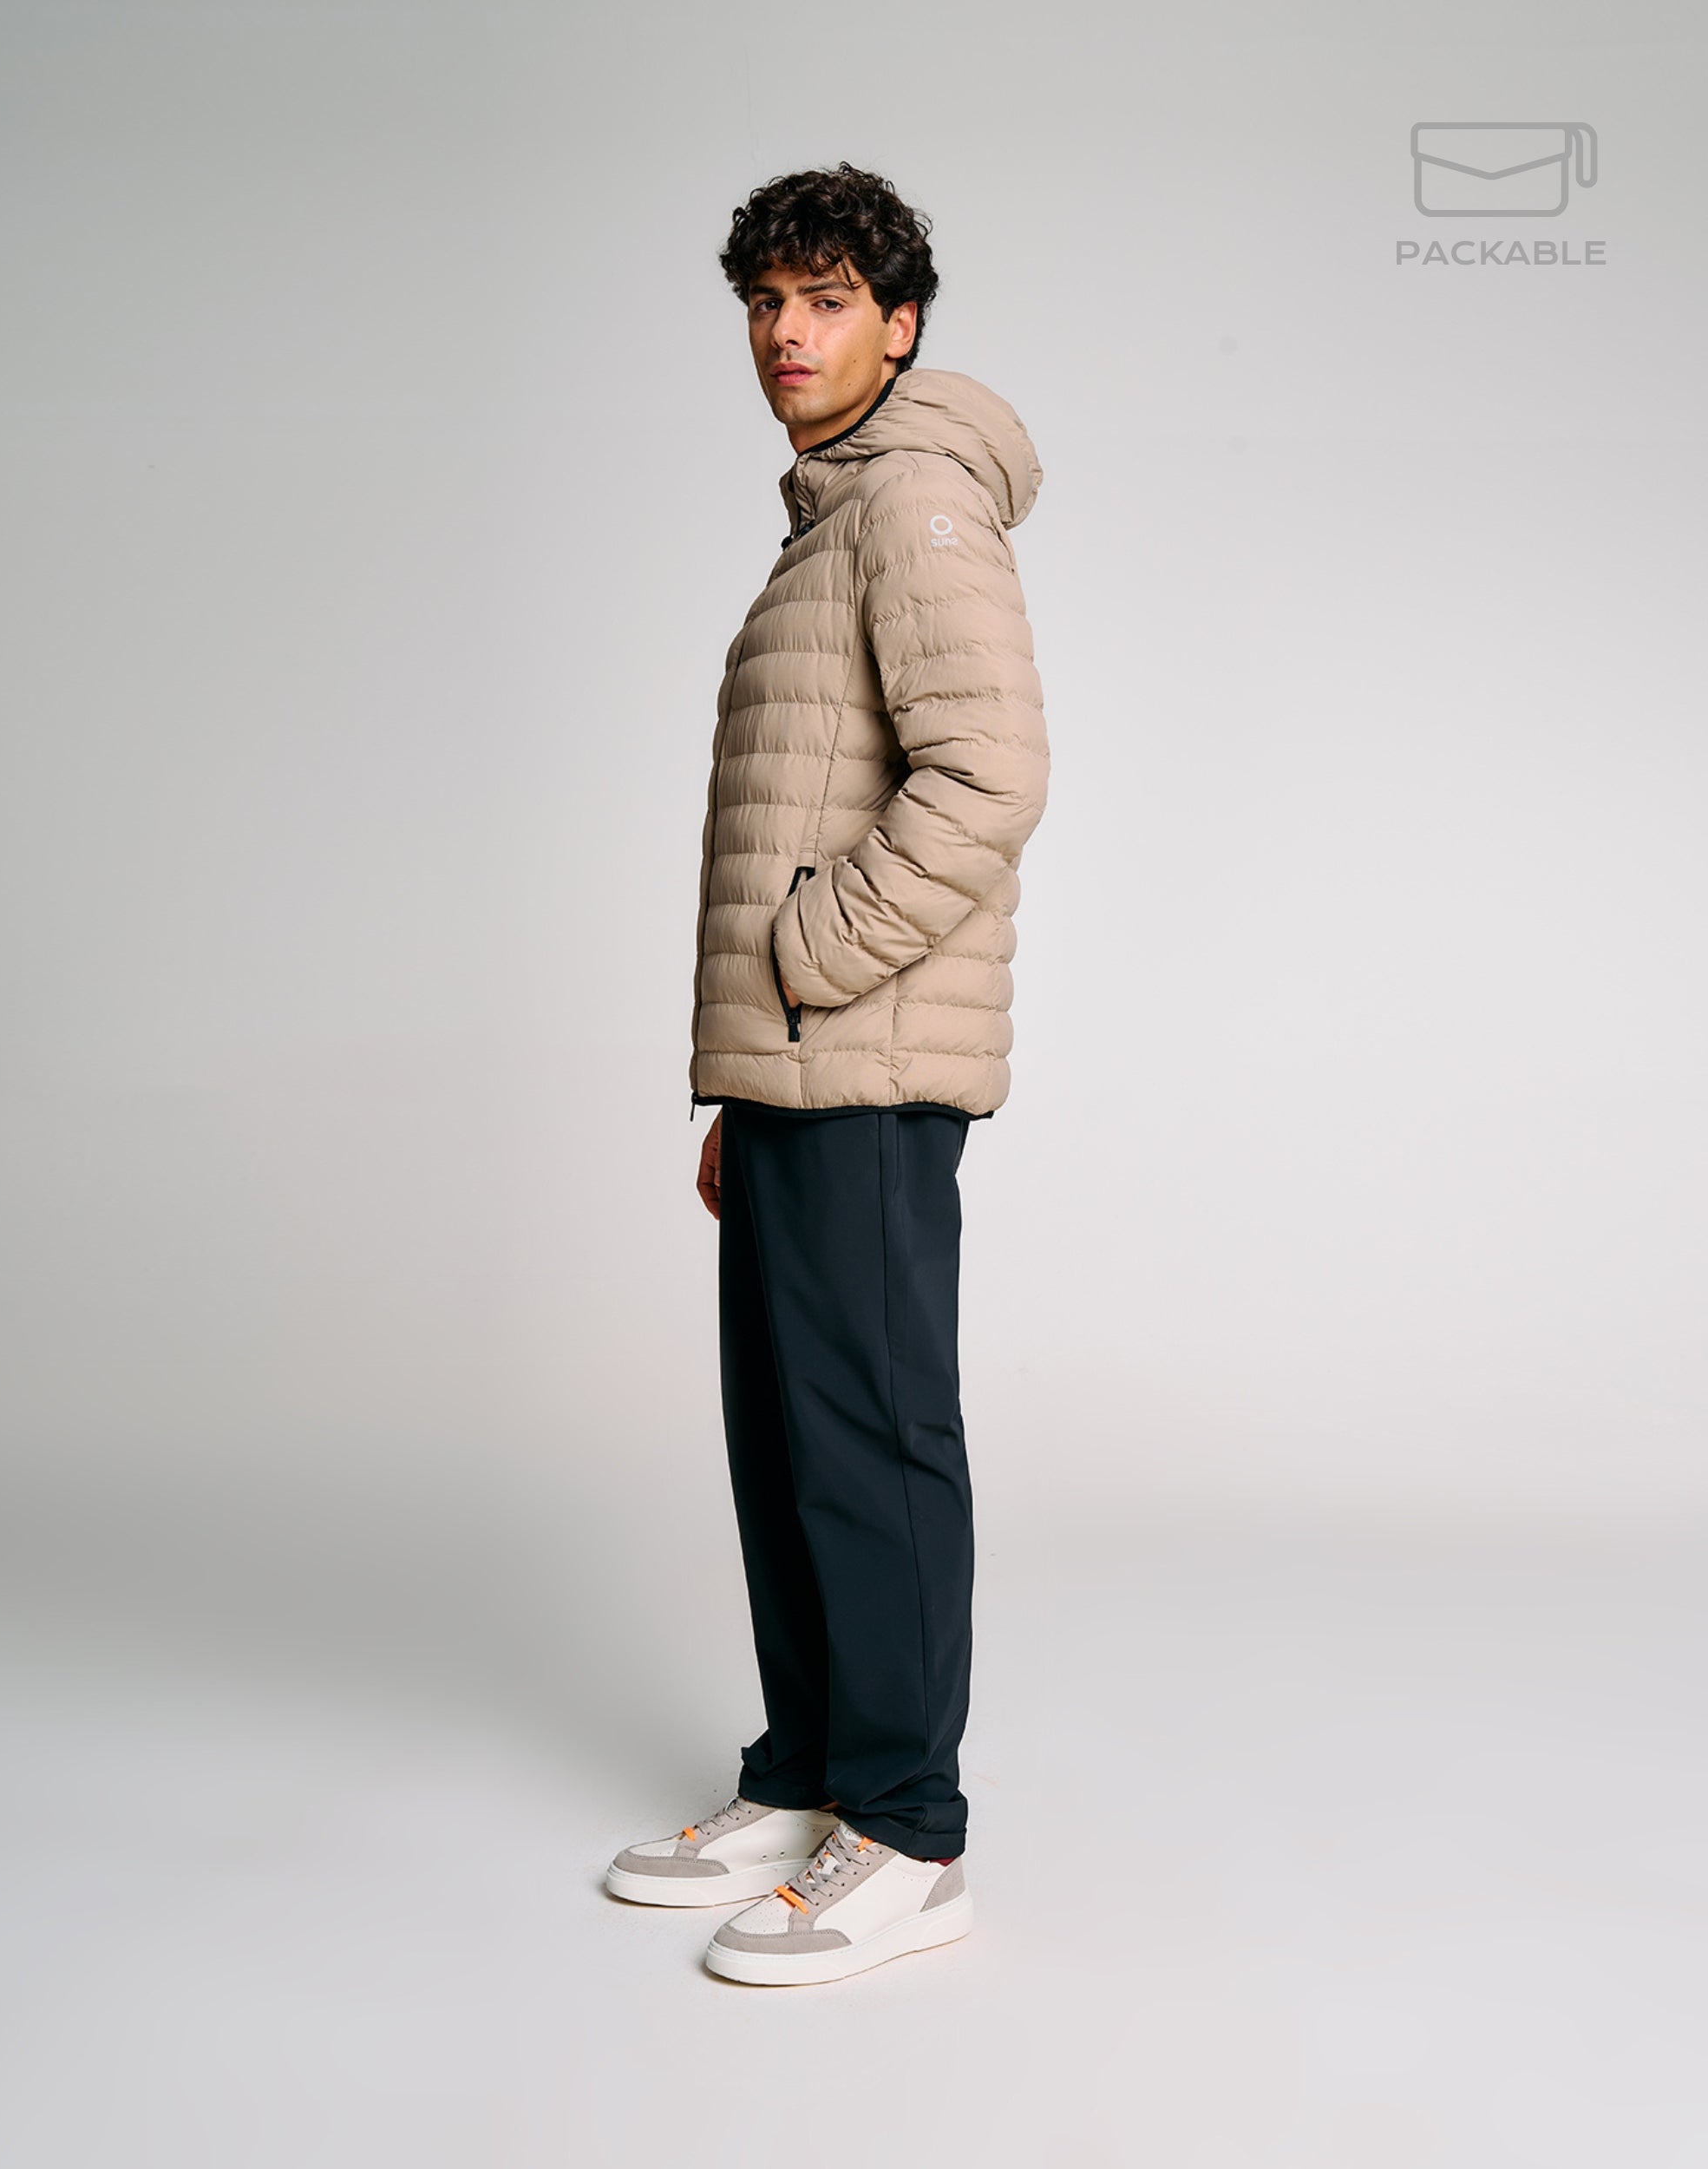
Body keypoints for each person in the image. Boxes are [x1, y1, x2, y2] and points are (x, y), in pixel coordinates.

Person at [605, 162, 1050, 1986]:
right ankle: (805, 1776)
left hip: (864, 1060)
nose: (786, 333)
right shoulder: (832, 511)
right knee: (784, 1436)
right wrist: (745, 1079)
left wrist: (803, 964)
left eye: (826, 298)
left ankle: (908, 1832)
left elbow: (989, 776)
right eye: (764, 303)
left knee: (868, 1437)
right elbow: (811, 790)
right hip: (799, 1074)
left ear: (900, 321)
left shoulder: (916, 500)